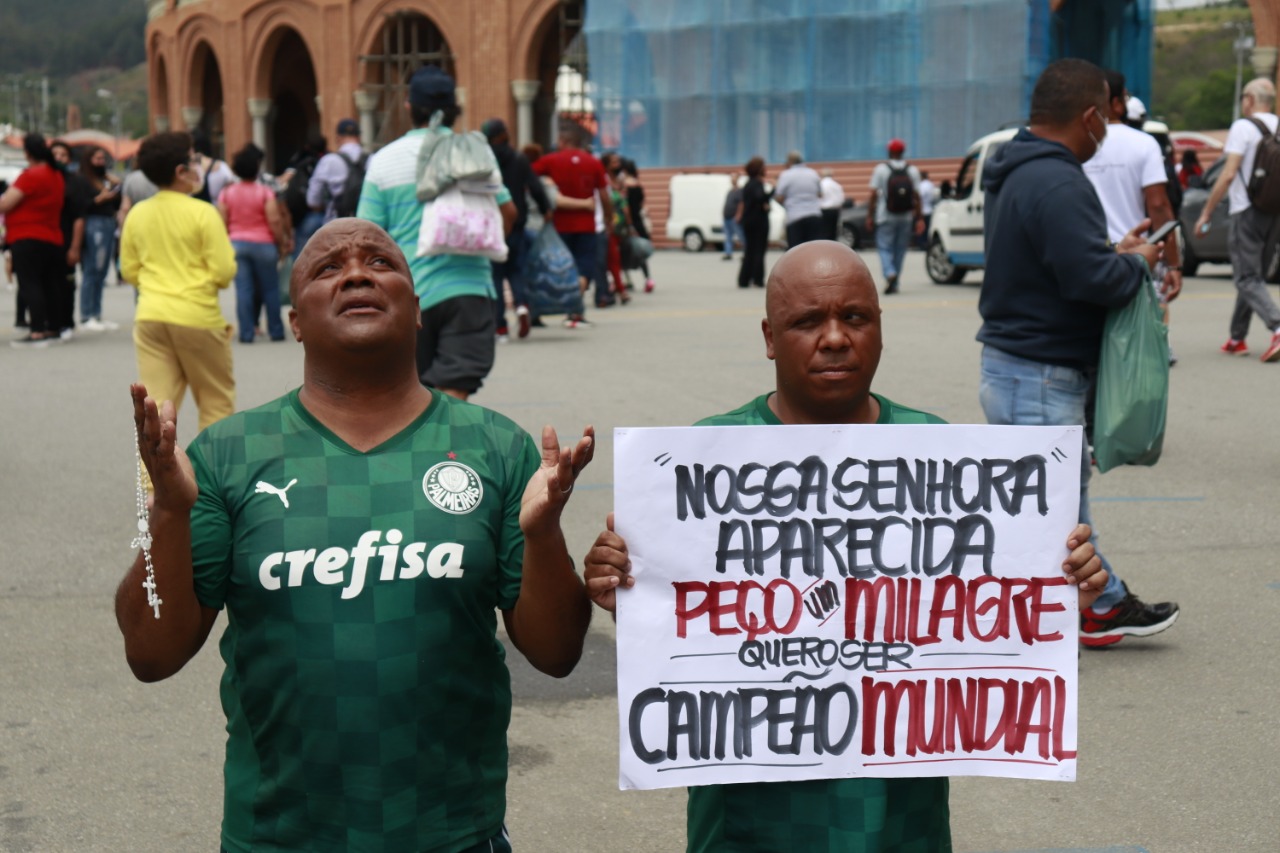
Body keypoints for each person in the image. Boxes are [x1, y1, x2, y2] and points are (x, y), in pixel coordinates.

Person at [582, 241, 1109, 853]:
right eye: (807, 321)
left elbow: (1005, 607)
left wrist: (1063, 577)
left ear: (880, 329)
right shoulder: (706, 458)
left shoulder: (940, 451)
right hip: (749, 819)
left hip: (900, 818)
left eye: (854, 317)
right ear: (770, 337)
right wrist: (624, 581)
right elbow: (675, 612)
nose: (834, 337)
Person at [117, 216, 595, 853]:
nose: (357, 273)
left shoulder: (495, 447)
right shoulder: (227, 454)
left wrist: (543, 538)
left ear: (417, 308)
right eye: (327, 268)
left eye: (380, 262)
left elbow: (557, 653)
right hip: (276, 835)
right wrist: (168, 515)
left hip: (454, 834)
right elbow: (151, 653)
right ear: (294, 321)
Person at [978, 57, 1180, 647]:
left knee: (1053, 503)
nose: (1106, 132)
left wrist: (1111, 251)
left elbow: (1057, 261)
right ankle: (1100, 604)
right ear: (1091, 117)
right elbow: (1091, 280)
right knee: (1054, 510)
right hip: (1040, 371)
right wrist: (1135, 261)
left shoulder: (1018, 168)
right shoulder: (1059, 180)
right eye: (1106, 121)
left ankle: (1096, 602)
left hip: (1021, 364)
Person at [357, 65, 517, 401]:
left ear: (408, 106)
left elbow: (365, 236)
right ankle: (447, 453)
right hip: (469, 288)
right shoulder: (478, 152)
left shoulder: (384, 161)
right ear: (453, 108)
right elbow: (508, 213)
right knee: (456, 389)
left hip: (408, 296)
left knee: (410, 397)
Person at [120, 131, 237, 432]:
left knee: (155, 408)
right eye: (194, 160)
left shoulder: (137, 213)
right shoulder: (203, 212)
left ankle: (152, 480)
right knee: (215, 402)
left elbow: (129, 271)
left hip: (150, 317)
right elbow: (223, 272)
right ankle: (213, 477)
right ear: (180, 171)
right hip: (198, 316)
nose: (198, 165)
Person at [1082, 69, 1182, 362]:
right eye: (1123, 96)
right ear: (1113, 102)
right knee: (1133, 352)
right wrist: (1173, 263)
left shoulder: (1079, 142)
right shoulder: (1143, 143)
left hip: (1090, 254)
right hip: (1135, 257)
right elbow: (1159, 206)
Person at [1193, 77, 1280, 362]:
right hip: (1273, 211)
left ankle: (1277, 326)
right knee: (1253, 275)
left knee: (1245, 276)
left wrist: (1207, 212)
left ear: (1250, 100)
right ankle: (1236, 337)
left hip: (1246, 209)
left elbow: (1228, 173)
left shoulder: (1243, 127)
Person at [532, 121, 613, 327]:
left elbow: (530, 178)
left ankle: (543, 309)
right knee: (584, 269)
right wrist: (608, 220)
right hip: (586, 226)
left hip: (559, 226)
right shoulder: (593, 163)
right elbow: (604, 195)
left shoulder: (549, 161)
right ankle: (575, 312)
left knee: (557, 268)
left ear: (563, 141)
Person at [481, 117, 551, 341]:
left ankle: (500, 326)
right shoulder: (519, 158)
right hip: (516, 224)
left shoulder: (484, 161)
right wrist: (545, 208)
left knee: (496, 277)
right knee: (516, 271)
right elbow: (535, 187)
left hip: (491, 226)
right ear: (503, 135)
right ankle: (521, 305)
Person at [217, 144, 291, 344]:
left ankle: (247, 332)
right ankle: (276, 330)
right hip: (264, 244)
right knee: (270, 288)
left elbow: (221, 220)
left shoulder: (227, 193)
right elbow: (274, 220)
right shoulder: (265, 192)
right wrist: (280, 242)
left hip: (237, 243)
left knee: (244, 289)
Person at [0, 133, 66, 347]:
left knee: (30, 283)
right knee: (50, 284)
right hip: (52, 235)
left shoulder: (30, 176)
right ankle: (53, 328)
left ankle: (36, 330)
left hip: (27, 235)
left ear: (27, 153)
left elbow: (6, 204)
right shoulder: (56, 175)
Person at [49, 139, 93, 339]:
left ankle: (66, 322)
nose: (58, 158)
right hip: (45, 240)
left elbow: (79, 218)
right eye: (55, 154)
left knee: (66, 283)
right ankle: (49, 323)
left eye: (63, 155)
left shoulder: (75, 182)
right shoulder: (42, 179)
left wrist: (75, 247)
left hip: (66, 239)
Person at [866, 138, 921, 294]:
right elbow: (917, 197)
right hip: (906, 217)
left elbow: (873, 195)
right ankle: (895, 281)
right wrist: (920, 218)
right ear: (903, 152)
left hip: (885, 216)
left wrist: (870, 216)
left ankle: (890, 273)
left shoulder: (881, 169)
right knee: (900, 249)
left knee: (884, 247)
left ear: (889, 151)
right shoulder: (912, 170)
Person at [78, 145, 123, 331]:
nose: (101, 163)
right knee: (92, 270)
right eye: (97, 159)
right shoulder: (82, 181)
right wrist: (99, 199)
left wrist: (116, 186)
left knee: (102, 271)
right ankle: (87, 315)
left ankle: (97, 314)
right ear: (89, 161)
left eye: (103, 159)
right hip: (93, 224)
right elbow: (80, 205)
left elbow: (117, 202)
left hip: (107, 224)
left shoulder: (103, 180)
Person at [307, 119, 364, 223]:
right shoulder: (373, 159)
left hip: (336, 225)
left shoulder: (329, 161)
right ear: (359, 137)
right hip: (366, 225)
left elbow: (313, 201)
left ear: (338, 138)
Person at [773, 151, 824, 247]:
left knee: (796, 252)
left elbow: (779, 196)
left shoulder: (786, 175)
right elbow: (820, 194)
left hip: (795, 217)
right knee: (814, 249)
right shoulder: (812, 173)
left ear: (790, 162)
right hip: (814, 215)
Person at [620, 158, 655, 293]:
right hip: (639, 222)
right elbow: (640, 205)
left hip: (627, 223)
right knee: (639, 253)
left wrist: (628, 225)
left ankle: (627, 280)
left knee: (624, 252)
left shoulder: (623, 186)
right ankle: (648, 279)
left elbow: (625, 208)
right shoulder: (638, 185)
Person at [736, 156, 772, 289]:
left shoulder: (748, 184)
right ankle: (757, 278)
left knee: (750, 250)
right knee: (759, 250)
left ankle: (744, 279)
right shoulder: (757, 183)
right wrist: (772, 192)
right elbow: (760, 198)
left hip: (749, 221)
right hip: (758, 222)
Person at [721, 173, 743, 260]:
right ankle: (728, 253)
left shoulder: (739, 191)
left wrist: (738, 215)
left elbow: (741, 204)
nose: (732, 180)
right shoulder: (730, 191)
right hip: (727, 217)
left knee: (741, 236)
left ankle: (745, 253)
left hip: (734, 218)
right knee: (728, 236)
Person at [818, 168, 844, 241]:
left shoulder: (821, 184)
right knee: (833, 232)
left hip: (823, 210)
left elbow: (818, 197)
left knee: (824, 232)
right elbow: (841, 199)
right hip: (835, 210)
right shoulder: (837, 185)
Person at [916, 170, 936, 249]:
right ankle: (927, 243)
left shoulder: (921, 185)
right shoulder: (931, 185)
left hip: (923, 210)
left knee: (921, 229)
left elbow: (919, 197)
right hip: (930, 209)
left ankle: (922, 244)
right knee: (928, 228)